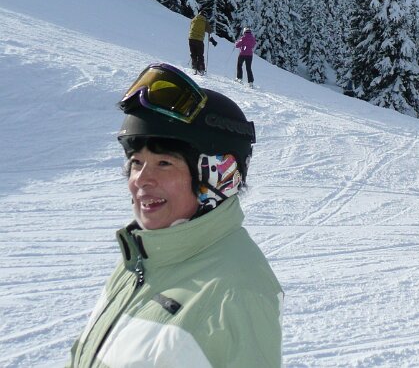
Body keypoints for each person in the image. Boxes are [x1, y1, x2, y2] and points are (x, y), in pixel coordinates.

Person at [69, 62, 282, 366]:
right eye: (136, 162)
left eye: (164, 163)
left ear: (215, 177)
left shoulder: (236, 290)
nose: (141, 180)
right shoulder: (141, 258)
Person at [188, 10, 217, 75]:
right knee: (200, 55)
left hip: (191, 39)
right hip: (199, 40)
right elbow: (209, 30)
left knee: (193, 54)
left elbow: (191, 27)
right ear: (205, 15)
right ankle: (201, 69)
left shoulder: (194, 19)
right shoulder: (204, 20)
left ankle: (194, 67)